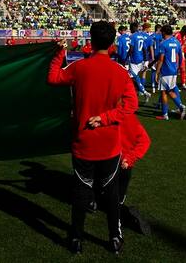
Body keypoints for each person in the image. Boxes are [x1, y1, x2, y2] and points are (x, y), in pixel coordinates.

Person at [47, 21, 138, 255]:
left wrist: (59, 53)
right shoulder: (120, 72)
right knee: (112, 192)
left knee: (81, 191)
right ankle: (114, 238)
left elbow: (54, 78)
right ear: (112, 43)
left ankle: (76, 239)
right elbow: (131, 104)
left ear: (91, 41)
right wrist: (107, 118)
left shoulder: (80, 67)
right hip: (109, 145)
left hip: (84, 143)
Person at [154, 25, 186, 121]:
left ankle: (177, 108)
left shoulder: (163, 43)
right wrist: (178, 67)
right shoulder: (177, 42)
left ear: (164, 32)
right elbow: (180, 57)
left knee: (164, 92)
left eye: (162, 32)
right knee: (169, 90)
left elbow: (161, 59)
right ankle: (177, 107)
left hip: (166, 71)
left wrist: (157, 72)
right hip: (174, 70)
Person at [127, 22, 151, 101]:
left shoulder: (132, 36)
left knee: (133, 77)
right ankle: (140, 92)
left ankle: (144, 92)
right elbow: (145, 49)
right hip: (141, 59)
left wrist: (127, 57)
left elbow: (131, 49)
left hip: (134, 60)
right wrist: (146, 59)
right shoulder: (141, 36)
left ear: (132, 28)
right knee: (133, 77)